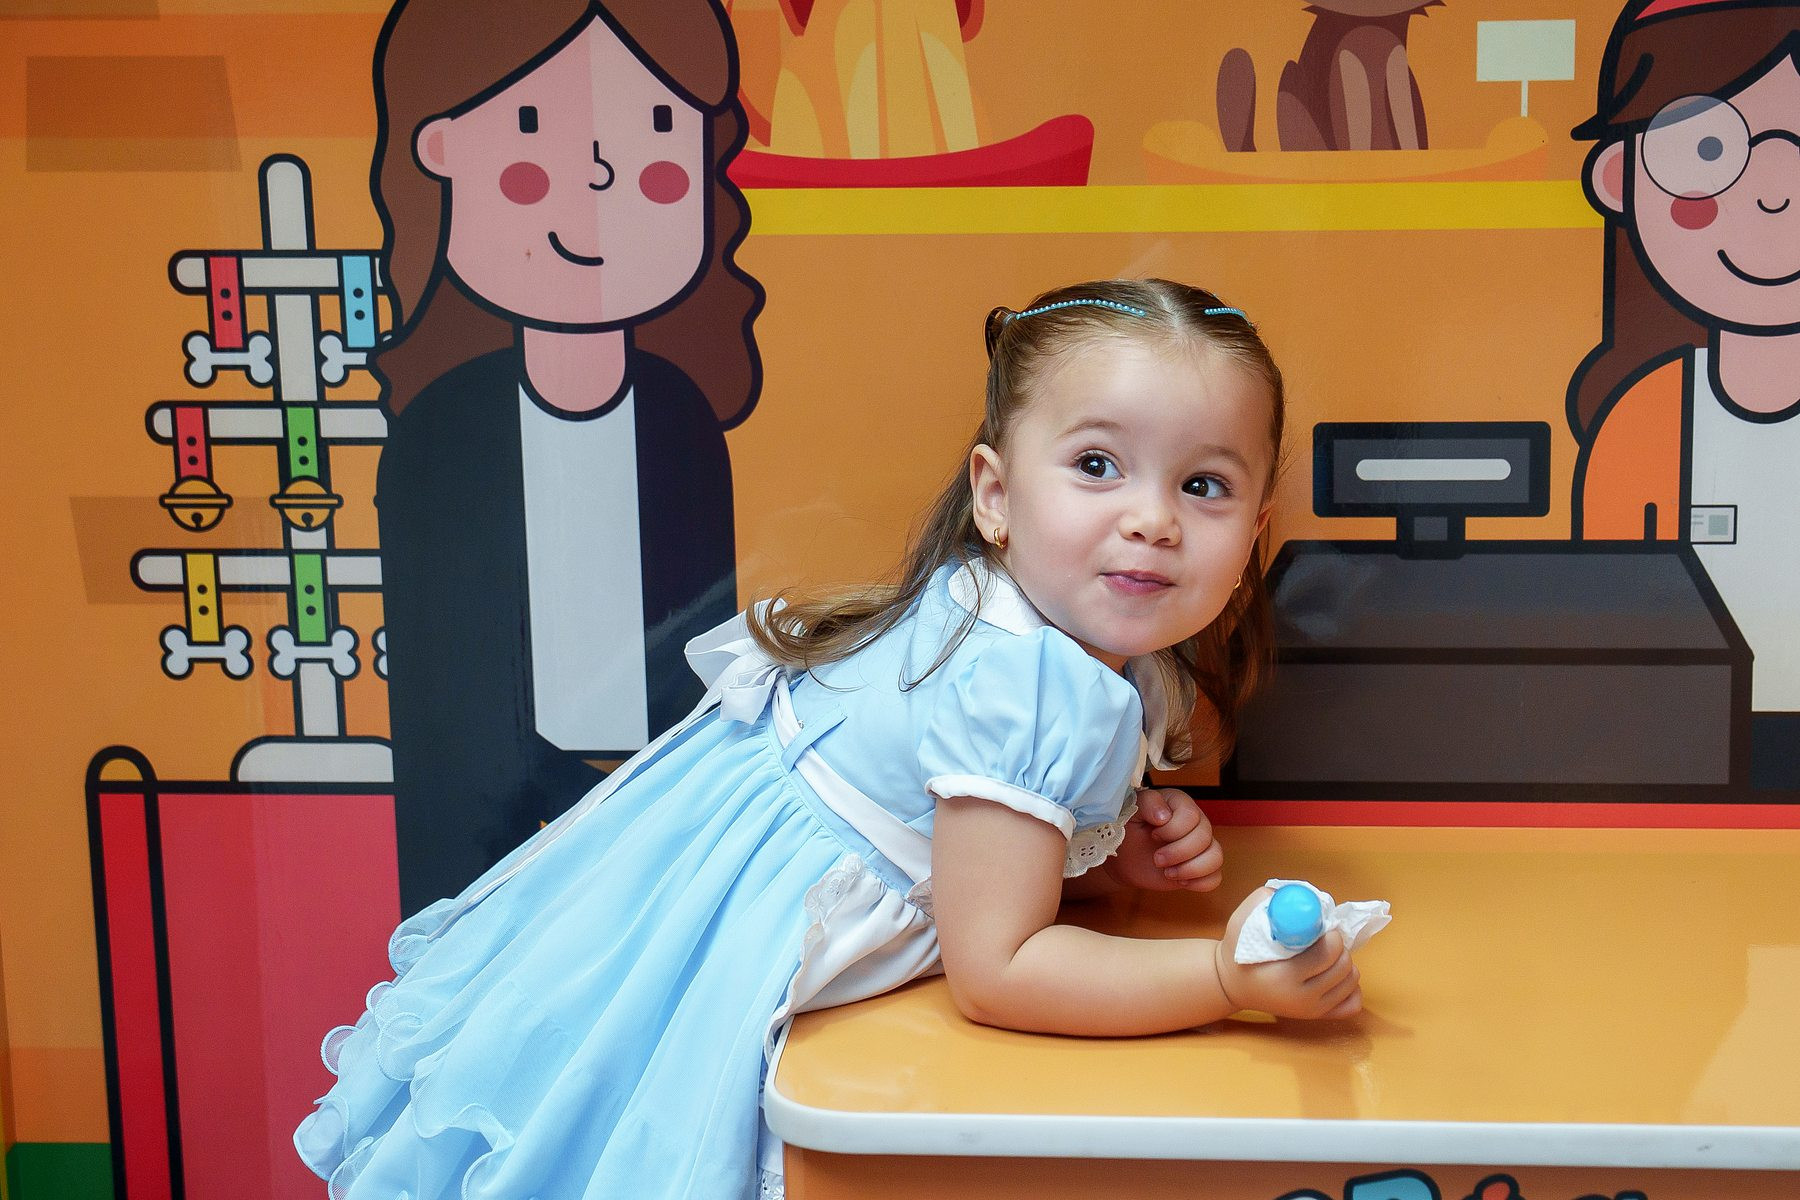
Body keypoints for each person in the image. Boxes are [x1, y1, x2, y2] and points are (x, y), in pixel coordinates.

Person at [296, 279, 1364, 1200]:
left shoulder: (1028, 625)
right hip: (726, 936)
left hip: (680, 885)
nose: (1153, 519)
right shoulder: (1027, 677)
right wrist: (1225, 979)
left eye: (1203, 486)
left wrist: (1098, 853)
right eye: (1097, 465)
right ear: (996, 495)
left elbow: (970, 854)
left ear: (1255, 531)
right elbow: (999, 971)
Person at [371, 0, 765, 912]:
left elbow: (700, 673)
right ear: (441, 149)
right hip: (492, 862)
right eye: (531, 135)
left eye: (654, 141)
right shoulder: (440, 436)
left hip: (658, 835)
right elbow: (452, 729)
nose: (594, 182)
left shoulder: (679, 419)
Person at [1567, 0, 1800, 787]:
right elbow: (1603, 640)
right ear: (1619, 179)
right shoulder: (1647, 421)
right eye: (1709, 150)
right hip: (1680, 758)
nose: (1775, 193)